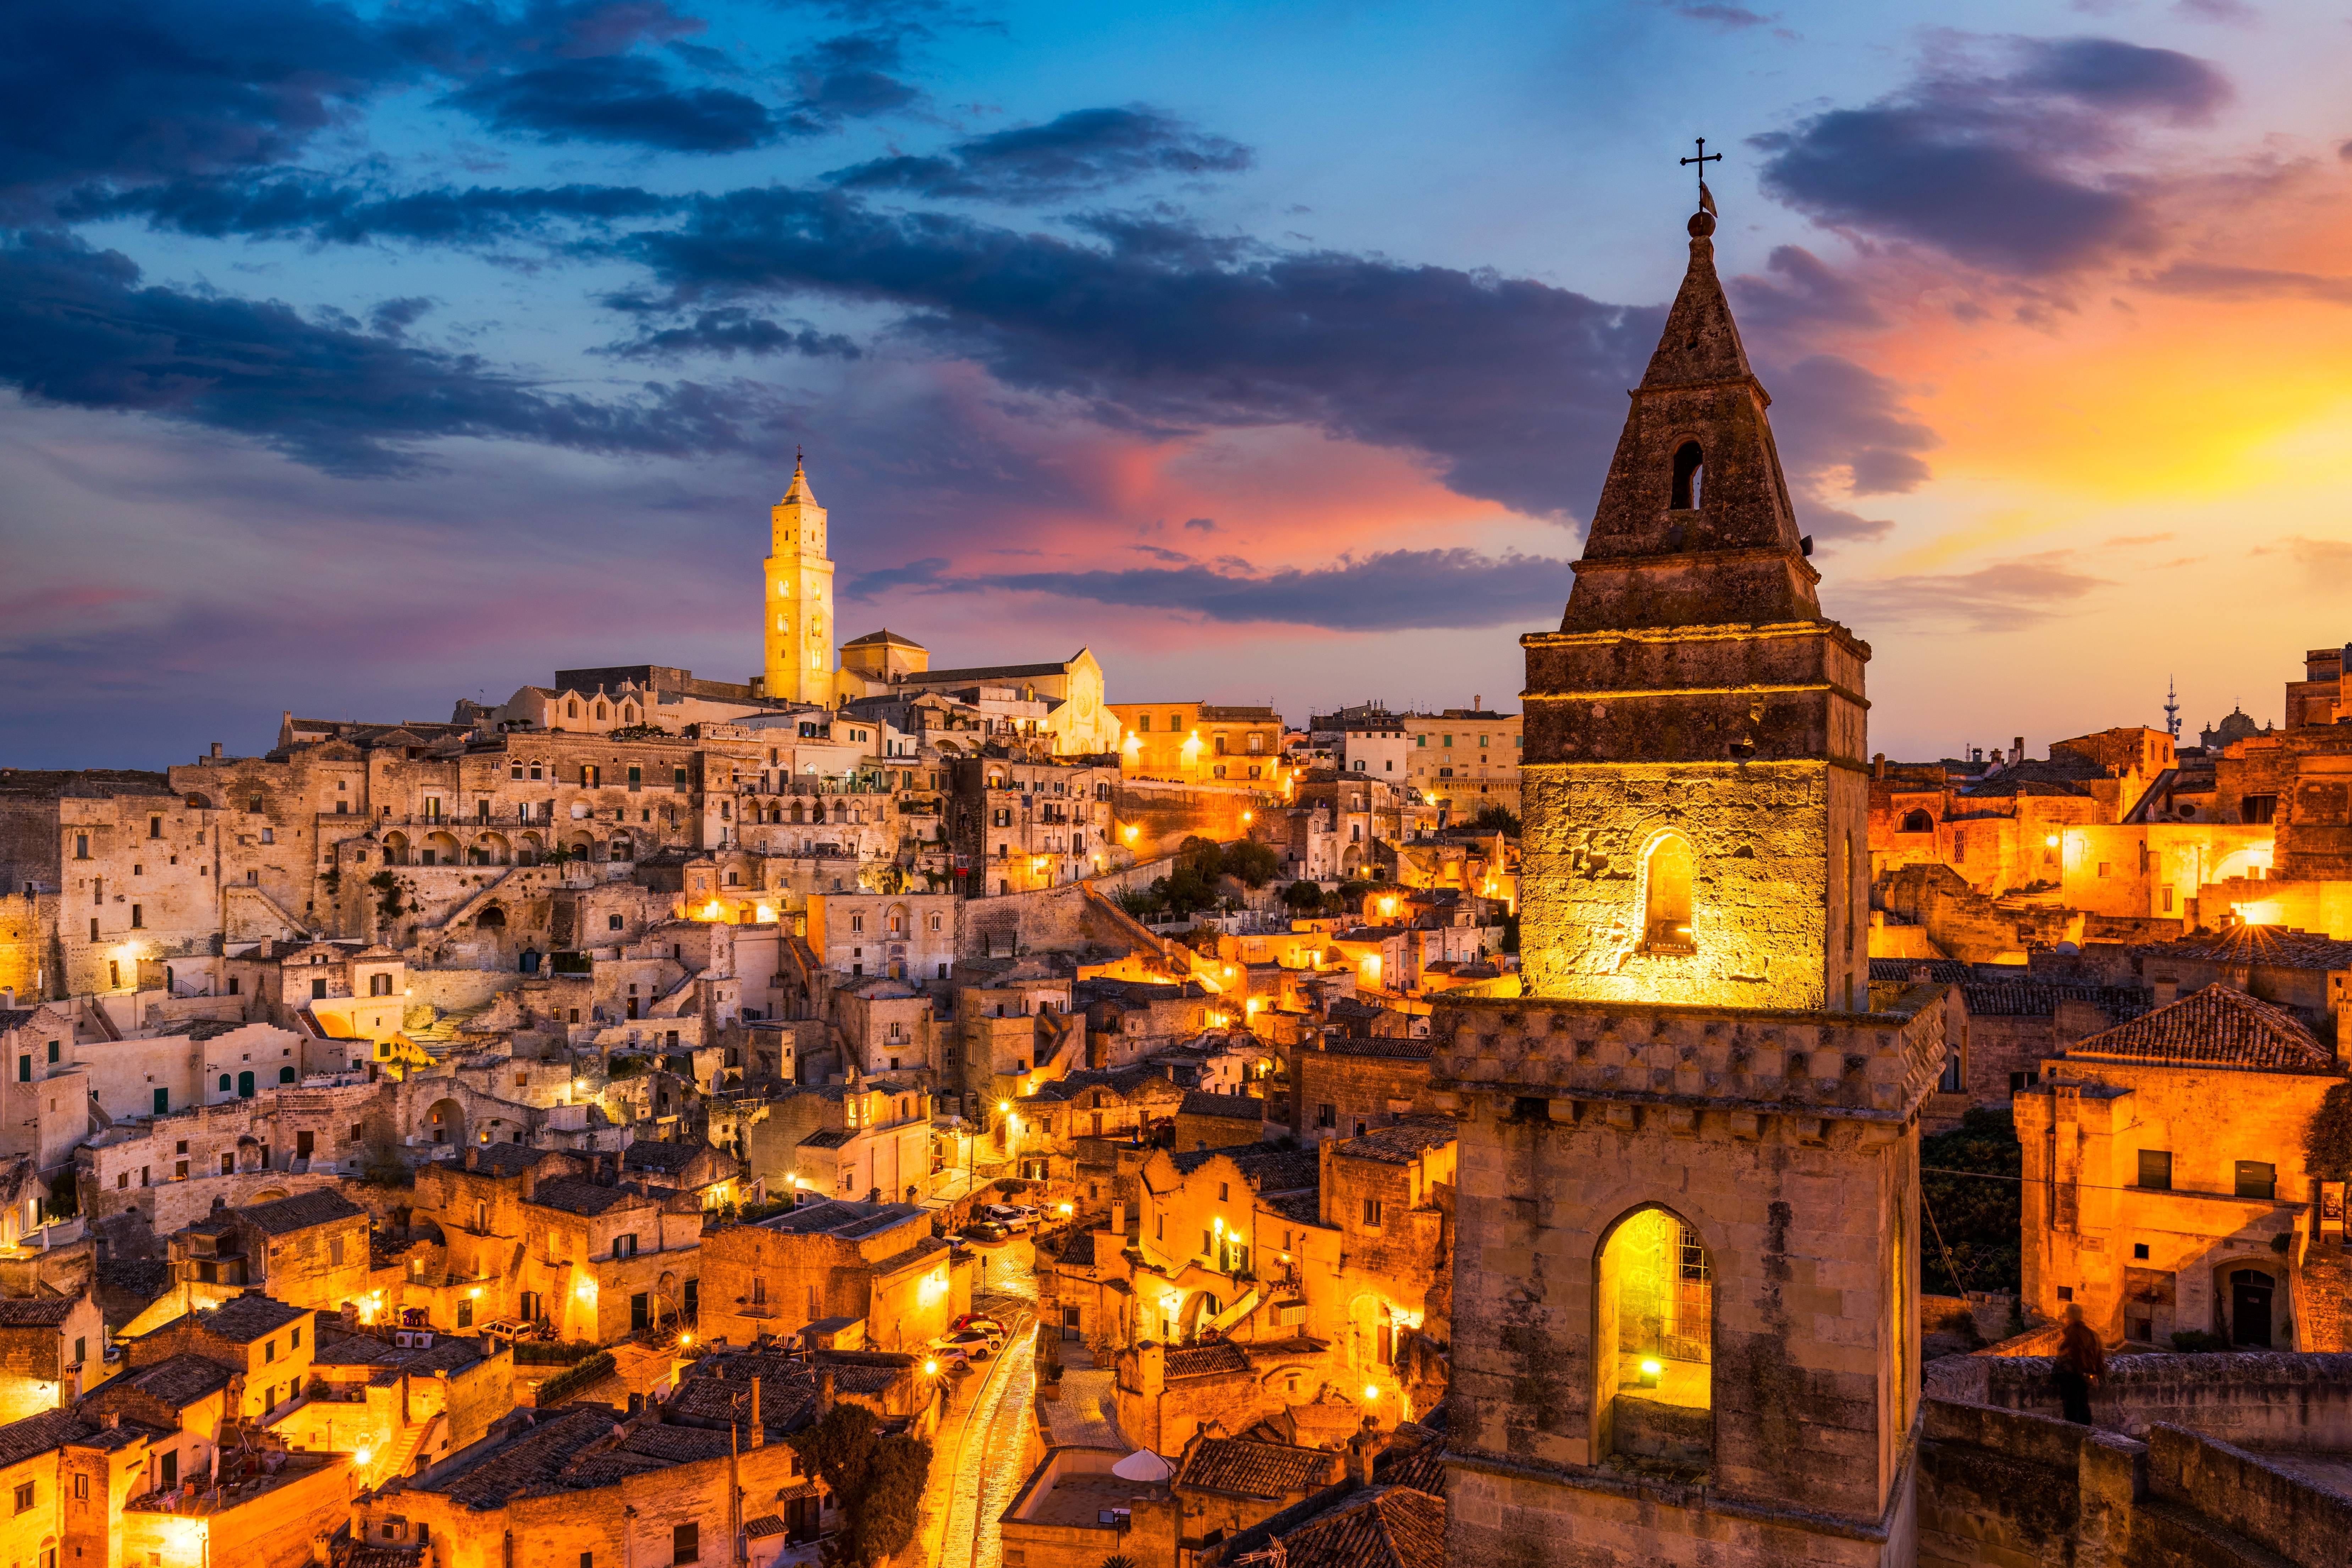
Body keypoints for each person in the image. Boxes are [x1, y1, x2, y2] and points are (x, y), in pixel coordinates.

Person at [2055, 1302, 2104, 1424]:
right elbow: (2099, 1357)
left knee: (2073, 1411)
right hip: (2086, 1378)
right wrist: (2095, 1374)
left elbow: (2067, 1353)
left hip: (2073, 1377)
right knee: (2084, 1407)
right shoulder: (2092, 1334)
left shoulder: (2074, 1333)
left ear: (2070, 1317)